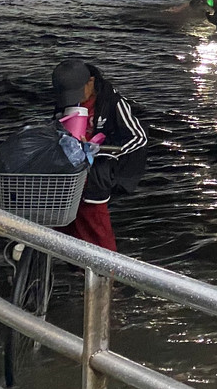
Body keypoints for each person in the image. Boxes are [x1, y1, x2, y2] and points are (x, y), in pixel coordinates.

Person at [51, 57, 149, 251]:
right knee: (67, 223)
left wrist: (103, 152)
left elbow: (139, 138)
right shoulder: (66, 103)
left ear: (91, 82)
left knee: (96, 225)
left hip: (99, 172)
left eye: (77, 94)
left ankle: (106, 272)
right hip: (71, 173)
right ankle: (77, 268)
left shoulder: (113, 103)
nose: (74, 100)